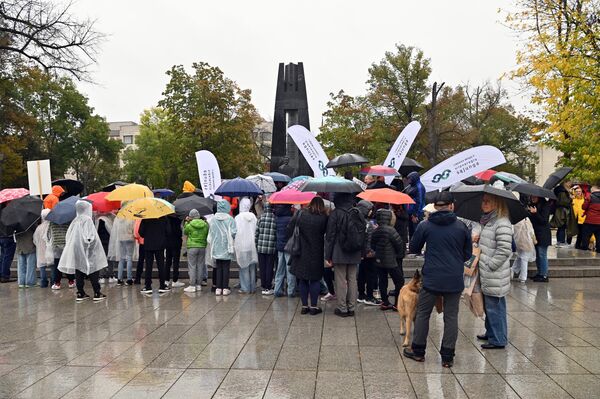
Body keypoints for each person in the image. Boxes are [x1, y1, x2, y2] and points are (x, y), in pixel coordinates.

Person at [404, 192, 472, 368]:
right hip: (454, 278)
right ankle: (447, 356)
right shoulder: (462, 227)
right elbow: (467, 254)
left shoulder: (425, 225)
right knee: (451, 316)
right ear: (451, 206)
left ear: (434, 206)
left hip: (432, 277)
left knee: (423, 314)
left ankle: (418, 351)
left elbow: (414, 248)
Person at [477, 194, 513, 349]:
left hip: (494, 273)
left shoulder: (501, 222)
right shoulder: (489, 221)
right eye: (483, 201)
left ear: (497, 204)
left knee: (495, 307)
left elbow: (504, 250)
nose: (484, 204)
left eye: (487, 201)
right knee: (490, 305)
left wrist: (490, 265)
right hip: (488, 272)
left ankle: (498, 339)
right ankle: (491, 332)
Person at [58, 200, 107, 301]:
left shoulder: (75, 220)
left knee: (79, 270)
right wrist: (91, 245)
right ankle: (97, 292)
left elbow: (69, 235)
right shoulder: (87, 220)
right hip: (88, 250)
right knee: (93, 270)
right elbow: (91, 236)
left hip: (77, 250)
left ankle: (80, 292)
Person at [288, 196, 329, 315]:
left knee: (303, 280)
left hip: (301, 251)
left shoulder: (301, 214)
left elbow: (290, 228)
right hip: (317, 251)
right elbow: (328, 233)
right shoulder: (324, 217)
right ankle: (314, 307)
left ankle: (304, 306)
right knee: (315, 280)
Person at [325, 192, 362, 317]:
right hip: (354, 250)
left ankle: (342, 308)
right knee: (352, 279)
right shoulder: (357, 212)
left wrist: (328, 256)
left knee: (340, 280)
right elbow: (363, 232)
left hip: (339, 250)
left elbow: (330, 236)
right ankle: (351, 307)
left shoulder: (335, 213)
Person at [371, 208, 406, 310]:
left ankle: (385, 302)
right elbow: (399, 244)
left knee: (382, 281)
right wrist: (397, 253)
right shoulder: (391, 230)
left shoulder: (376, 230)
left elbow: (373, 244)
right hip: (391, 260)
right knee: (399, 280)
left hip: (379, 259)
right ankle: (397, 303)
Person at [207, 200, 237, 295]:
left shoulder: (213, 219)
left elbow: (210, 234)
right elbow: (234, 232)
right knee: (226, 267)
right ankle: (225, 287)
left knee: (219, 267)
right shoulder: (230, 219)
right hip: (227, 246)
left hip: (216, 246)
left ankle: (218, 288)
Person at [138, 216, 170, 294]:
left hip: (148, 245)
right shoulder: (164, 218)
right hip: (160, 245)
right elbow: (169, 231)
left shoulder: (146, 219)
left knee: (148, 266)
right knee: (161, 265)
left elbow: (141, 232)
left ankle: (148, 286)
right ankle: (162, 285)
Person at [357, 200, 380, 306]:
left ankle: (361, 294)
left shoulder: (357, 221)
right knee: (371, 275)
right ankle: (370, 296)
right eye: (370, 210)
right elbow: (369, 240)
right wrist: (370, 251)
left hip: (360, 254)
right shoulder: (369, 224)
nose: (371, 212)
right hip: (369, 254)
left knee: (361, 274)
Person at [234, 198, 258, 294]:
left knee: (243, 267)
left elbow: (235, 231)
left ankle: (245, 287)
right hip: (252, 245)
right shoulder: (253, 216)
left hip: (242, 244)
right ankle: (252, 287)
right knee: (252, 268)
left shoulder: (238, 218)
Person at [183, 209, 209, 292]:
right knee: (200, 265)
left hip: (192, 247)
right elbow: (207, 233)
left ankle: (192, 285)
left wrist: (187, 222)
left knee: (192, 266)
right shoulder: (205, 224)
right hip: (202, 247)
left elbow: (185, 232)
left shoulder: (189, 225)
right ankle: (199, 284)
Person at [527, 196, 551, 282]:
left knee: (542, 254)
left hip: (543, 234)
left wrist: (536, 213)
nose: (533, 198)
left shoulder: (545, 205)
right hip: (535, 234)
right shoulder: (532, 206)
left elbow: (544, 220)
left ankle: (544, 275)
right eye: (532, 197)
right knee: (537, 255)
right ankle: (539, 273)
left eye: (535, 197)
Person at [255, 201, 277, 295]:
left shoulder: (261, 218)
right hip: (271, 247)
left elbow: (257, 233)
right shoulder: (275, 218)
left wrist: (256, 244)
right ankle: (268, 285)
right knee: (269, 267)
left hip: (261, 247)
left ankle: (263, 285)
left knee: (262, 267)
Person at [273, 204, 295, 297]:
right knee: (289, 269)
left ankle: (277, 290)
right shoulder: (291, 219)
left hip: (279, 246)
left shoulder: (277, 219)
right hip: (289, 247)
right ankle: (291, 291)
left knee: (279, 269)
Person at [49, 220, 73, 289]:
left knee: (57, 265)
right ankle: (71, 281)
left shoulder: (52, 221)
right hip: (66, 245)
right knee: (67, 264)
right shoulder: (68, 221)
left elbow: (49, 233)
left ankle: (57, 283)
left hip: (56, 246)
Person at [511, 217, 536, 283]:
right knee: (524, 258)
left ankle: (513, 270)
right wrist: (533, 238)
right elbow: (531, 231)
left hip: (519, 241)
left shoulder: (515, 220)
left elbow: (512, 231)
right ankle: (523, 276)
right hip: (527, 241)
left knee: (521, 256)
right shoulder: (527, 219)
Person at [33, 209, 53, 287]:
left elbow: (35, 239)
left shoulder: (39, 228)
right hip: (50, 249)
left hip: (40, 249)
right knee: (52, 266)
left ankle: (43, 282)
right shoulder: (51, 226)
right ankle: (53, 281)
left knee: (42, 267)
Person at [551, 181, 575, 247]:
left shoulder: (561, 190)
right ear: (565, 183)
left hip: (561, 211)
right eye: (569, 182)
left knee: (561, 227)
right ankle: (561, 242)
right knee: (562, 226)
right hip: (562, 212)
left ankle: (560, 241)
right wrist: (570, 198)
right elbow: (563, 202)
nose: (570, 184)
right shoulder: (562, 191)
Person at [96, 211, 116, 284]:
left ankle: (101, 277)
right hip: (109, 241)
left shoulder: (98, 220)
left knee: (102, 259)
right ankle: (111, 276)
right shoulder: (108, 220)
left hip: (101, 242)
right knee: (110, 259)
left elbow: (97, 232)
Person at [114, 217, 135, 285]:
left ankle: (119, 279)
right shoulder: (131, 218)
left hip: (121, 238)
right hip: (129, 238)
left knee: (122, 258)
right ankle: (129, 279)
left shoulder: (119, 218)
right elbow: (134, 229)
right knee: (129, 258)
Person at [405, 171, 426, 239]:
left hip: (417, 212)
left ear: (414, 178)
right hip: (410, 211)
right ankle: (411, 246)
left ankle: (416, 247)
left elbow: (419, 201)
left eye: (410, 179)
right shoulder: (411, 186)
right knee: (411, 231)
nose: (409, 181)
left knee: (416, 231)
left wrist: (415, 214)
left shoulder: (419, 187)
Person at [165, 214, 184, 288]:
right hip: (176, 243)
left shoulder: (166, 219)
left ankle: (166, 280)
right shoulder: (177, 220)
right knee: (176, 262)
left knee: (167, 262)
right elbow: (179, 233)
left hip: (168, 243)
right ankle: (175, 280)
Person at [581, 184, 600, 252]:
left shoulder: (590, 196)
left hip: (590, 221)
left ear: (593, 190)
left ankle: (584, 248)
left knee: (586, 236)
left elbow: (583, 207)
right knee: (599, 237)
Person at [133, 219, 145, 285]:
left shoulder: (138, 219)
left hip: (142, 242)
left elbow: (136, 232)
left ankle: (138, 278)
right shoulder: (149, 218)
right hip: (149, 242)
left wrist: (138, 238)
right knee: (149, 262)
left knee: (141, 260)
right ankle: (147, 278)